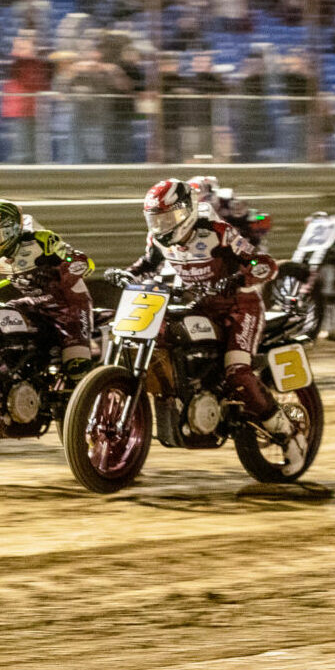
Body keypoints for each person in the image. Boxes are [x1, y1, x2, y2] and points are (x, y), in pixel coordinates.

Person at [105, 179, 303, 460]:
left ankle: (287, 433)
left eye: (168, 218)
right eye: (156, 219)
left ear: (187, 211)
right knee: (167, 338)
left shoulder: (217, 232)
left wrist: (239, 278)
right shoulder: (157, 240)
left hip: (239, 306)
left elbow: (265, 264)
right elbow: (146, 265)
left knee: (237, 371)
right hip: (200, 306)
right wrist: (127, 275)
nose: (162, 226)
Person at [0, 199, 97, 384]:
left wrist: (73, 265)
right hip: (32, 303)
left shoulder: (40, 240)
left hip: (69, 306)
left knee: (76, 366)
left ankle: (83, 400)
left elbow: (75, 257)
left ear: (12, 231)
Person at [187, 175, 272, 248]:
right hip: (204, 246)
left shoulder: (227, 203)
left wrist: (255, 217)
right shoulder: (186, 210)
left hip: (233, 244)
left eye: (201, 197)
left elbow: (255, 216)